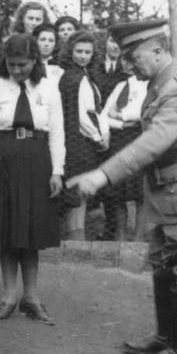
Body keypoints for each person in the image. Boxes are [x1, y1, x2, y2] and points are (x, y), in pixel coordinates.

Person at [67, 18, 177, 354]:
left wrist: (102, 174)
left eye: (134, 57)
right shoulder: (159, 81)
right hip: (172, 188)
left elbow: (154, 142)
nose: (128, 65)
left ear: (157, 51)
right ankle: (165, 337)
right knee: (163, 263)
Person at [0, 34, 65, 325]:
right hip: (3, 161)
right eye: (11, 64)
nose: (16, 70)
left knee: (31, 234)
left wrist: (57, 170)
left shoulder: (48, 88)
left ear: (34, 61)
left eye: (22, 64)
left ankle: (32, 298)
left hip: (38, 160)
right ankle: (9, 296)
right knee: (8, 233)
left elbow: (58, 133)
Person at [58, 30, 108, 240]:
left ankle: (77, 236)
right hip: (78, 141)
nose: (83, 56)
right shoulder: (74, 78)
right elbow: (83, 115)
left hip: (80, 141)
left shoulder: (84, 76)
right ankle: (75, 238)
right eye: (79, 51)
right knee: (77, 191)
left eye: (87, 52)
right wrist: (98, 138)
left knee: (79, 192)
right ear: (70, 52)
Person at [99, 56, 147, 241]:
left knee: (140, 192)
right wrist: (120, 124)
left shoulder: (149, 84)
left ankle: (139, 238)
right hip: (119, 140)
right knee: (118, 192)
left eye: (133, 60)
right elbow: (105, 114)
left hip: (139, 138)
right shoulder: (121, 86)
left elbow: (143, 112)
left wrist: (122, 115)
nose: (129, 65)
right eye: (125, 61)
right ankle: (120, 237)